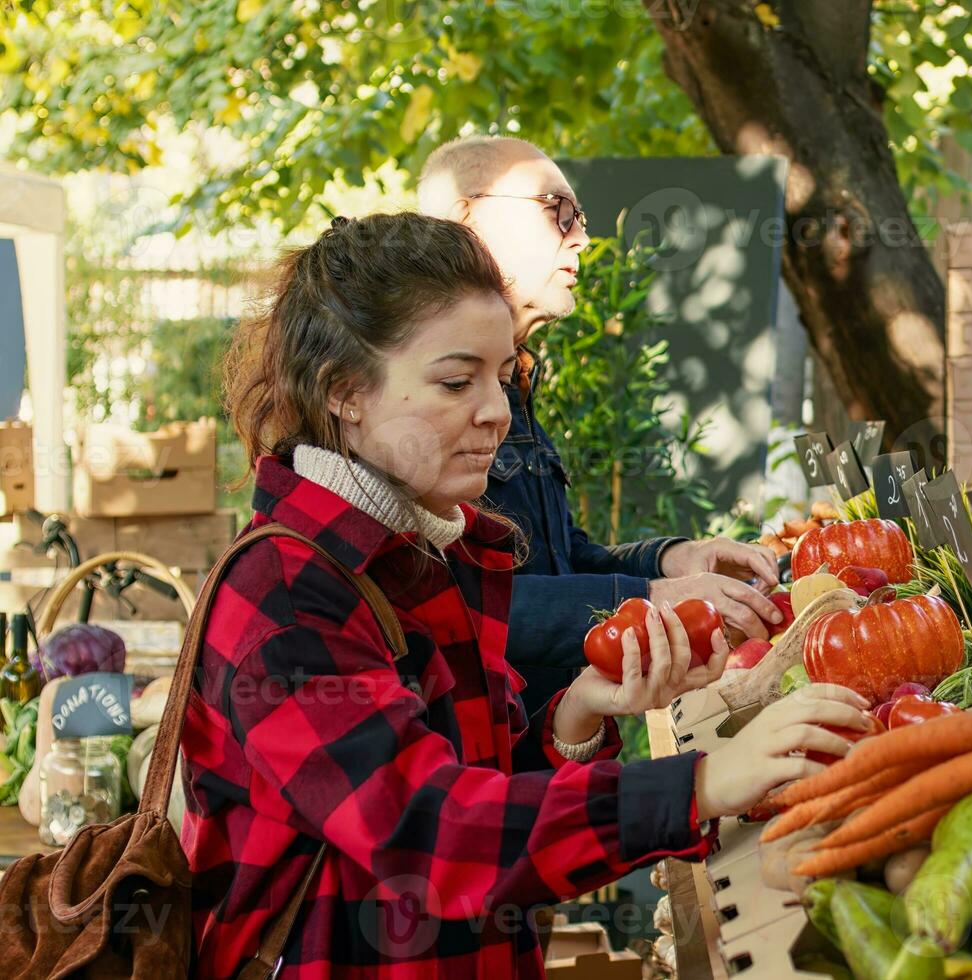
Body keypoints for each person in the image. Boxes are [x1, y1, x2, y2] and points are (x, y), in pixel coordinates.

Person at [186, 212, 870, 977]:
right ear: (345, 392)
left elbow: (489, 778)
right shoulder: (282, 597)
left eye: (503, 375)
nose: (497, 412)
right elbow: (434, 837)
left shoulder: (436, 546)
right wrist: (707, 781)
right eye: (456, 382)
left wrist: (579, 710)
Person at [416, 135, 783, 714]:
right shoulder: (409, 404)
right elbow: (453, 604)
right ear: (469, 219)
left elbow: (560, 560)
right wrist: (650, 596)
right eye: (557, 211)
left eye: (580, 216)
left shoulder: (518, 378)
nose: (583, 236)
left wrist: (669, 559)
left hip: (543, 752)